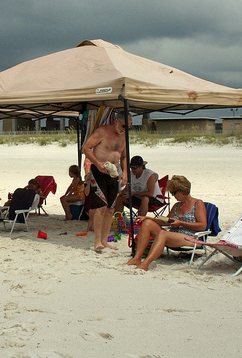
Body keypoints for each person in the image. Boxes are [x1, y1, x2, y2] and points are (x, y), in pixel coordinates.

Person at [127, 175, 207, 271]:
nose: (173, 195)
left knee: (163, 234)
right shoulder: (177, 205)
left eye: (174, 192)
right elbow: (165, 220)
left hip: (191, 238)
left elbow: (202, 226)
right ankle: (137, 258)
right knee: (147, 223)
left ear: (182, 191)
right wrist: (148, 218)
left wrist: (181, 223)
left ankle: (146, 263)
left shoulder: (197, 203)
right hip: (173, 235)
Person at [82, 110, 132, 252]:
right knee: (101, 207)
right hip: (99, 171)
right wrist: (97, 163)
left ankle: (105, 240)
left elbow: (124, 156)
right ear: (116, 121)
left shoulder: (124, 136)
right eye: (123, 126)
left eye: (128, 127)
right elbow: (86, 148)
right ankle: (97, 240)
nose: (125, 130)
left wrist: (125, 174)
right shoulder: (102, 132)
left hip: (114, 173)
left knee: (110, 208)